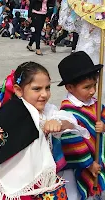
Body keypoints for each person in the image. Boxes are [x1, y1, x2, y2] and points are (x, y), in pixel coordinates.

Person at [0, 62, 86, 200]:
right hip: (12, 178)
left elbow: (70, 120)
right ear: (18, 90)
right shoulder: (11, 112)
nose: (44, 94)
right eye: (37, 89)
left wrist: (60, 123)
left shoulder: (48, 110)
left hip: (39, 180)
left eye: (47, 87)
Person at [57, 51, 105, 199]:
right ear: (70, 87)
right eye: (87, 87)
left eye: (95, 85)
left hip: (99, 159)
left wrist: (104, 126)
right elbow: (71, 142)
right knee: (81, 194)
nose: (92, 91)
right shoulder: (67, 112)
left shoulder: (95, 104)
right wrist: (88, 164)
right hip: (82, 166)